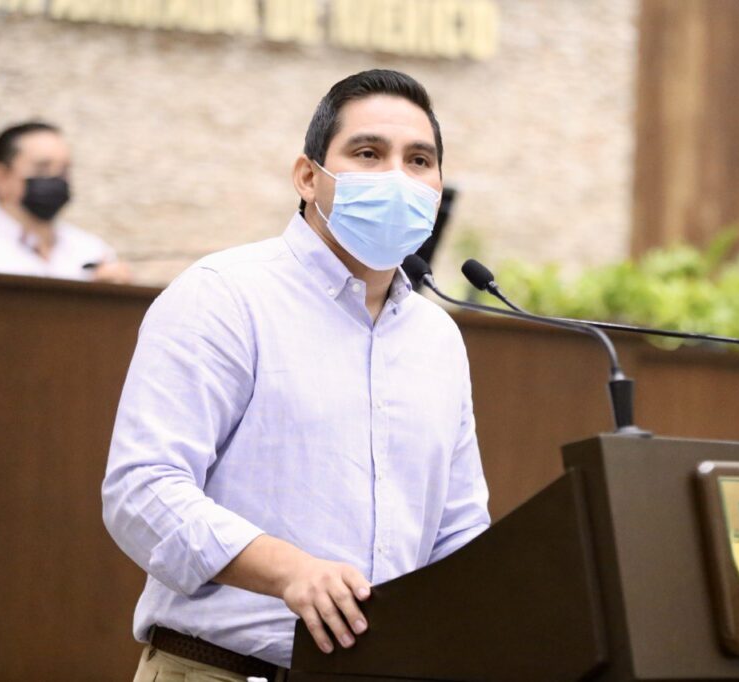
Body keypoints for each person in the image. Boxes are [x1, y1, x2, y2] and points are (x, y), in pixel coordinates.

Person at [102, 70, 490, 682]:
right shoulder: (224, 296)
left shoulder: (437, 338)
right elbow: (142, 491)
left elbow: (459, 532)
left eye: (419, 160)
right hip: (221, 669)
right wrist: (290, 572)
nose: (397, 177)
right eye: (368, 153)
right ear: (308, 177)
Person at [0, 121, 131, 283]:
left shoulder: (91, 250)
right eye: (42, 168)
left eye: (63, 170)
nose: (55, 179)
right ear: (2, 176)